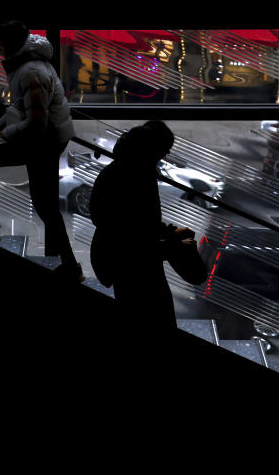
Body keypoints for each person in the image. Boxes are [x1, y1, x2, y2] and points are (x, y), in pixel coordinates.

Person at [0, 21, 81, 281]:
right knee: (47, 206)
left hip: (42, 144)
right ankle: (70, 265)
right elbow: (21, 107)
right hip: (48, 141)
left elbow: (35, 123)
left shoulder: (29, 72)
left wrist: (4, 133)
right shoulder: (32, 65)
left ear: (12, 44)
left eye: (2, 45)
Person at [88, 121, 206, 332]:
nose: (165, 156)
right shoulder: (138, 176)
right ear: (151, 149)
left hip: (119, 264)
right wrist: (173, 244)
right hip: (132, 268)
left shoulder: (123, 170)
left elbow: (136, 228)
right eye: (164, 150)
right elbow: (136, 244)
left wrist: (169, 233)